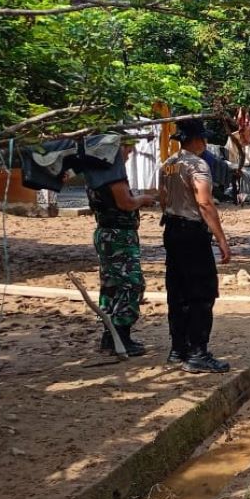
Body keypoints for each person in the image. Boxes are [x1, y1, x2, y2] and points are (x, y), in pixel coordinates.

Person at [159, 119, 232, 374]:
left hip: (171, 230)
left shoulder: (168, 165)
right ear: (199, 140)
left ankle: (178, 349)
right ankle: (198, 352)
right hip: (192, 233)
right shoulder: (198, 165)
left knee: (177, 292)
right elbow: (205, 203)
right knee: (202, 293)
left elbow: (163, 199)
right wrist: (221, 237)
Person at [89, 138, 158, 357]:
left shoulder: (96, 171)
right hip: (118, 235)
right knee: (130, 284)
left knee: (112, 284)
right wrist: (144, 199)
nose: (129, 154)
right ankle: (120, 336)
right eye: (127, 149)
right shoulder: (112, 173)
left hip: (108, 233)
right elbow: (125, 203)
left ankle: (111, 338)